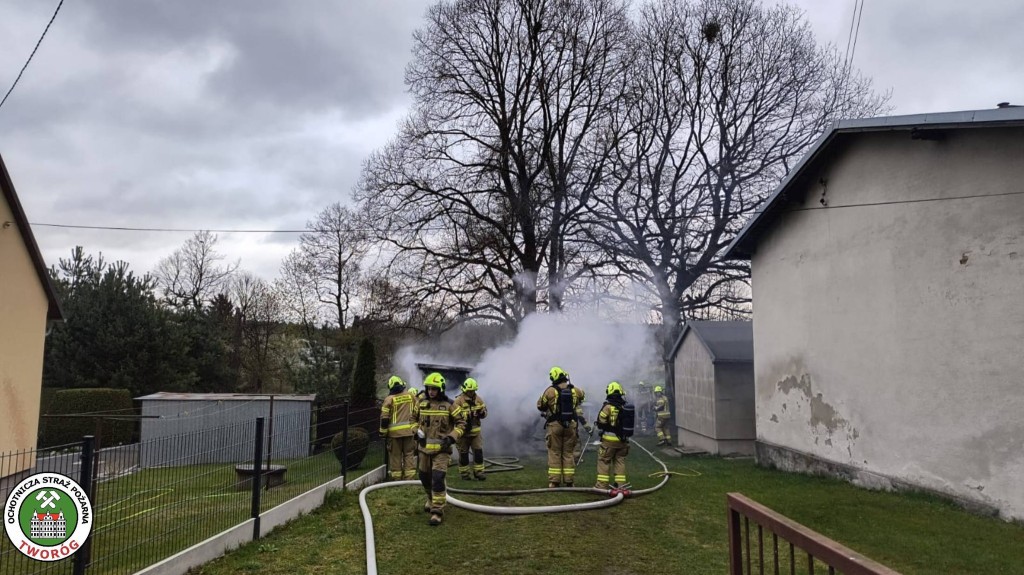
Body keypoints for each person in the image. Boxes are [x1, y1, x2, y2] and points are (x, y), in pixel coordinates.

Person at [414, 372, 467, 526]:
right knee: (424, 477)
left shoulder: (450, 405)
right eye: (429, 389)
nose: (431, 392)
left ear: (441, 389)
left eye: (434, 389)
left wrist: (452, 437)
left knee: (437, 478)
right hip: (424, 449)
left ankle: (437, 511)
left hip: (442, 450)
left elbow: (461, 423)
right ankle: (430, 499)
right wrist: (415, 431)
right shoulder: (421, 404)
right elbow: (412, 419)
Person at [536, 366, 581, 487]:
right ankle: (569, 481)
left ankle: (554, 481)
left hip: (555, 425)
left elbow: (540, 405)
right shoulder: (575, 390)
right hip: (571, 425)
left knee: (554, 452)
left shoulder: (550, 391)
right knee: (568, 453)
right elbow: (582, 397)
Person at [379, 375, 418, 480]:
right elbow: (418, 412)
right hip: (410, 432)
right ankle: (410, 477)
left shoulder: (388, 400)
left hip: (394, 435)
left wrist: (383, 433)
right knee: (409, 454)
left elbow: (384, 419)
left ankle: (397, 479)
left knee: (395, 456)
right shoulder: (411, 396)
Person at [595, 381, 630, 489]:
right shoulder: (626, 406)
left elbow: (600, 422)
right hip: (623, 441)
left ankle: (601, 486)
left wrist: (605, 427)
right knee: (620, 461)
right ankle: (621, 485)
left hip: (608, 441)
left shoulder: (607, 407)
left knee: (604, 461)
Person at [452, 377, 488, 480]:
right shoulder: (458, 401)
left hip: (476, 433)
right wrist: (469, 414)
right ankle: (465, 474)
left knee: (478, 453)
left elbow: (485, 412)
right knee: (463, 455)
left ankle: (479, 473)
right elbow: (455, 416)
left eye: (472, 391)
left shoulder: (479, 399)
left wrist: (482, 413)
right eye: (469, 391)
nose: (471, 393)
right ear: (464, 390)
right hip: (463, 434)